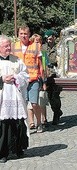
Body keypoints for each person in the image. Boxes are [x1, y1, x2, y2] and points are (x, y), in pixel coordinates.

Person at [0, 35, 29, 163]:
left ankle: (18, 149)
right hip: (2, 99)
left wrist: (17, 78)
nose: (9, 48)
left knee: (18, 124)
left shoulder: (17, 60)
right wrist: (1, 79)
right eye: (6, 46)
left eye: (9, 45)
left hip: (15, 98)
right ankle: (2, 153)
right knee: (3, 126)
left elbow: (25, 75)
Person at [11, 25, 44, 133]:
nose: (23, 36)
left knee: (34, 103)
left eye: (25, 34)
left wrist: (42, 78)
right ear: (18, 34)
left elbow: (40, 63)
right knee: (23, 103)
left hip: (33, 78)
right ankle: (28, 123)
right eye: (21, 34)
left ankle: (39, 122)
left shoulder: (35, 46)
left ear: (29, 34)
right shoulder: (14, 46)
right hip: (20, 80)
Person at [42, 30, 63, 125]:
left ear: (54, 37)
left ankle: (56, 114)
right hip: (47, 75)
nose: (49, 40)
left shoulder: (59, 47)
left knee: (55, 96)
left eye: (51, 38)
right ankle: (57, 111)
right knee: (50, 97)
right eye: (47, 39)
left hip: (57, 74)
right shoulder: (43, 47)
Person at [28, 34, 48, 126]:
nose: (38, 42)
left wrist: (44, 81)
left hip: (42, 78)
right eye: (36, 41)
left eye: (39, 41)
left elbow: (45, 66)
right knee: (32, 102)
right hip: (33, 78)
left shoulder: (43, 52)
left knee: (42, 99)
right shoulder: (30, 51)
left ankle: (44, 118)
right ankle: (31, 121)